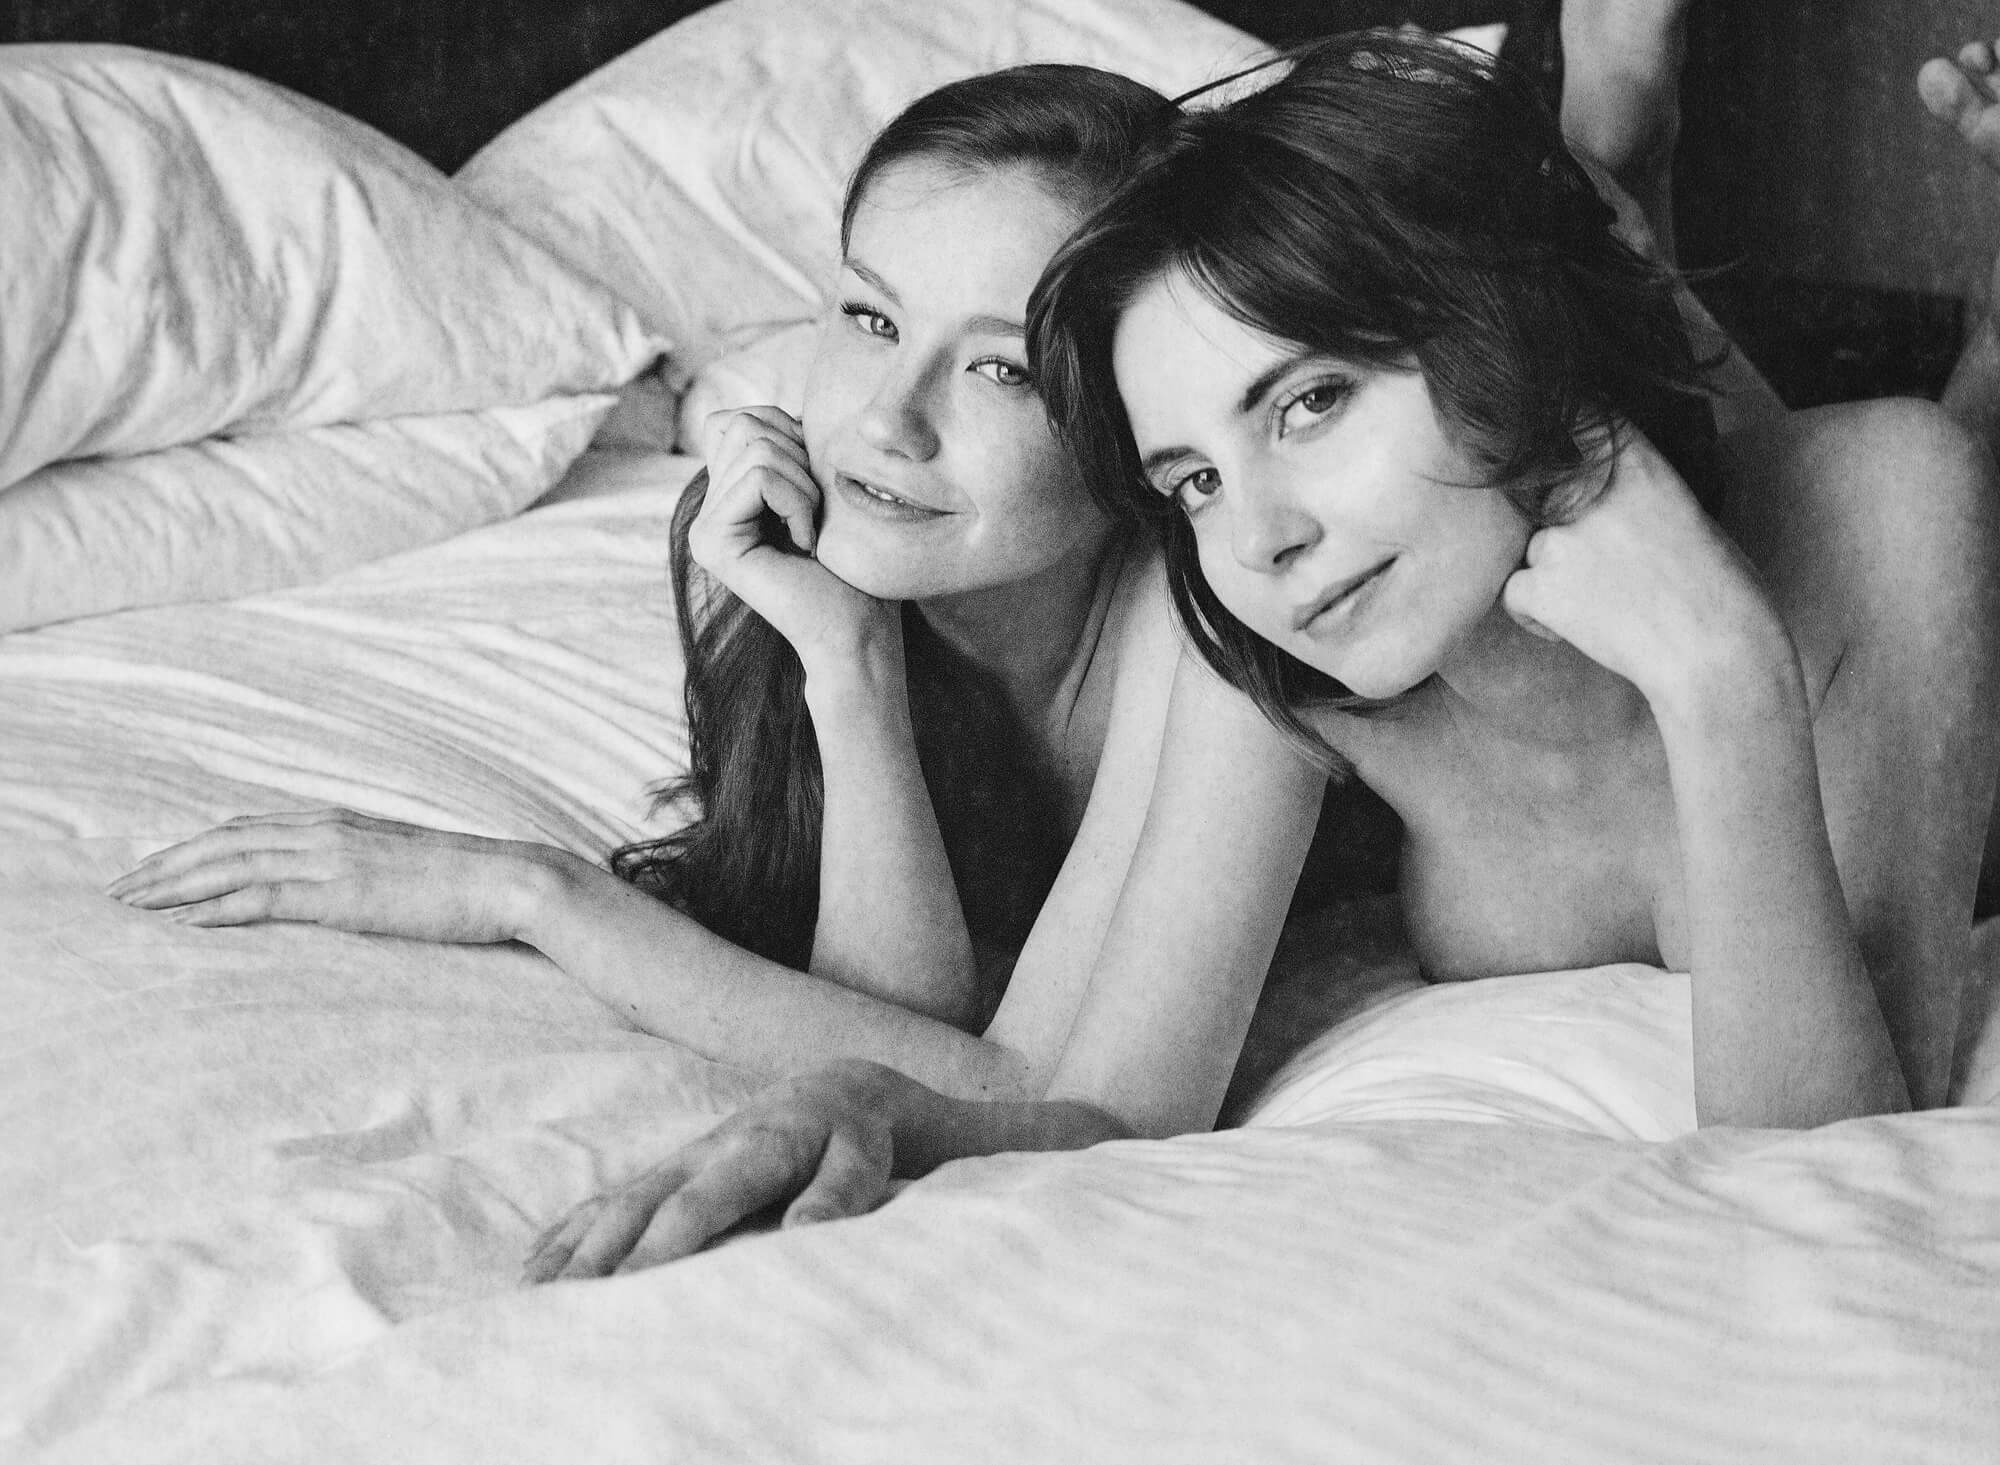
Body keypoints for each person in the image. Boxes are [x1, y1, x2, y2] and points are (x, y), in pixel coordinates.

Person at [518, 20, 2000, 1282]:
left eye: (1309, 403)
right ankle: (1608, 145)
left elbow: (1826, 1158)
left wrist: (1725, 685)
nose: (1262, 538)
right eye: (1191, 480)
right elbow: (1109, 1108)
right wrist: (874, 1103)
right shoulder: (1276, 645)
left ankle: (1630, 145)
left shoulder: (1882, 504)